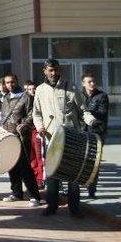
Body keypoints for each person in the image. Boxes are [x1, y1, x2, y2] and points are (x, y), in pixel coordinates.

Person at [33, 59, 101, 218]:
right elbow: (36, 114)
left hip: (72, 139)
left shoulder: (71, 87)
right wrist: (40, 127)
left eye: (56, 70)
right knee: (52, 175)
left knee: (72, 175)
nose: (54, 73)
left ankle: (74, 208)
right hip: (51, 139)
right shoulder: (40, 90)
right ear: (44, 71)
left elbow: (83, 110)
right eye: (50, 70)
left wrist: (93, 121)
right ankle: (52, 206)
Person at [0, 74, 41, 207]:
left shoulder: (26, 96)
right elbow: (4, 116)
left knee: (24, 167)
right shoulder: (5, 98)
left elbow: (32, 113)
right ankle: (16, 193)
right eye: (7, 83)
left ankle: (35, 195)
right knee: (11, 165)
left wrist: (24, 124)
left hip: (21, 136)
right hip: (7, 135)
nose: (10, 85)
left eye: (12, 82)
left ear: (16, 82)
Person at [80, 73, 108, 199]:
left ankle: (92, 190)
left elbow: (102, 113)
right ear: (83, 83)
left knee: (94, 163)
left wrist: (86, 112)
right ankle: (79, 186)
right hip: (81, 133)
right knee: (81, 162)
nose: (92, 84)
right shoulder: (79, 95)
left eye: (93, 81)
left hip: (97, 133)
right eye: (89, 81)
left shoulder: (102, 96)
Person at [24, 80, 44, 187]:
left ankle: (41, 178)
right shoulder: (26, 100)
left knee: (39, 155)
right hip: (29, 131)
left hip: (37, 130)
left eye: (34, 89)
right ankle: (35, 177)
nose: (32, 91)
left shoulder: (40, 100)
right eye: (29, 89)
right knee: (32, 156)